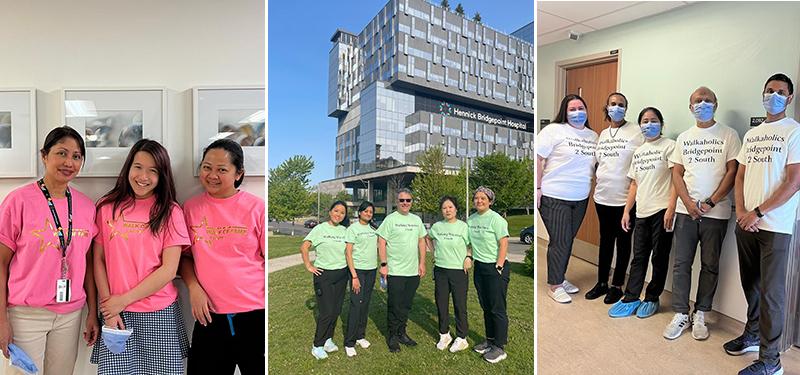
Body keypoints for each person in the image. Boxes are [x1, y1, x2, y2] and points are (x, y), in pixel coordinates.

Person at [0, 126, 99, 375]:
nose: (69, 162)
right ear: (44, 156)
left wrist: (92, 313)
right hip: (26, 314)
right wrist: (1, 320)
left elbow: (87, 263)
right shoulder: (18, 201)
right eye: (61, 153)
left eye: (77, 156)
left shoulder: (86, 207)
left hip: (70, 314)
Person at [91, 139, 191, 374]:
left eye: (153, 171)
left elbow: (168, 270)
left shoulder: (171, 211)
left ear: (162, 175)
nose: (143, 176)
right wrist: (110, 307)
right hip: (116, 312)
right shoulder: (107, 207)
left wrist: (124, 300)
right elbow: (98, 260)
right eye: (138, 167)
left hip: (159, 312)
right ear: (128, 168)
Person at [727, 73, 800, 375]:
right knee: (752, 285)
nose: (774, 96)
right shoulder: (753, 134)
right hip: (746, 222)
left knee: (772, 294)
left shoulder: (794, 131)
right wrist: (743, 211)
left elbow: (794, 181)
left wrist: (757, 212)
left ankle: (771, 361)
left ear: (790, 98)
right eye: (769, 91)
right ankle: (753, 334)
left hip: (774, 226)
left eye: (780, 92)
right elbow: (741, 175)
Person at [180, 139, 265, 374]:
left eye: (222, 170)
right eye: (207, 167)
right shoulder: (190, 208)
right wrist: (194, 289)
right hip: (209, 316)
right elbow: (184, 257)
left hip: (254, 315)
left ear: (239, 174)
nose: (212, 175)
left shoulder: (257, 208)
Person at [663, 86, 741, 341]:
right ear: (690, 106)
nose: (703, 104)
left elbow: (733, 172)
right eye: (698, 100)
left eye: (708, 100)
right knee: (681, 264)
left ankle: (701, 313)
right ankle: (680, 313)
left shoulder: (729, 135)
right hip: (687, 213)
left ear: (716, 104)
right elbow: (677, 172)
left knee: (710, 265)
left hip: (715, 213)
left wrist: (710, 202)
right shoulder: (684, 137)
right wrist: (686, 202)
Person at [608, 107, 677, 319]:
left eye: (653, 120)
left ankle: (652, 298)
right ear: (640, 126)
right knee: (638, 257)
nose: (649, 124)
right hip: (642, 211)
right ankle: (631, 297)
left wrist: (671, 209)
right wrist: (627, 211)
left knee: (659, 257)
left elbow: (677, 180)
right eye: (645, 121)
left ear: (661, 123)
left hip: (662, 210)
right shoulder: (638, 151)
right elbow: (635, 184)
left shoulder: (670, 146)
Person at [536, 94, 598, 304]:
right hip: (555, 195)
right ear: (565, 111)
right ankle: (554, 286)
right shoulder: (554, 130)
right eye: (572, 109)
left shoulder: (593, 136)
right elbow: (538, 158)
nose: (577, 112)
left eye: (581, 108)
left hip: (580, 197)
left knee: (567, 240)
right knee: (560, 241)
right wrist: (536, 188)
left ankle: (560, 278)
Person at [587, 92, 644, 304]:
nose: (616, 107)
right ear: (607, 107)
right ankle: (601, 282)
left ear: (626, 108)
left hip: (625, 200)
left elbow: (642, 162)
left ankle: (617, 285)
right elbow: (597, 163)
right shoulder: (602, 134)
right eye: (613, 104)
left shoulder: (636, 132)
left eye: (621, 105)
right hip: (602, 198)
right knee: (605, 241)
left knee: (623, 242)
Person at [377, 188, 426, 353]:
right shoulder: (390, 219)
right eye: (401, 200)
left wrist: (422, 263)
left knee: (406, 305)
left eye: (408, 200)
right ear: (397, 202)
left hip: (412, 272)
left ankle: (401, 332)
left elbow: (421, 242)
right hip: (395, 271)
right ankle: (392, 336)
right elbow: (381, 241)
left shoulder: (416, 220)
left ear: (412, 202)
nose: (405, 203)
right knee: (394, 305)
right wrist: (384, 264)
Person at [300, 201, 349, 360]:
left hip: (342, 274)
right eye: (336, 211)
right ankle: (317, 345)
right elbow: (304, 247)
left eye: (342, 212)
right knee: (326, 311)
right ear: (330, 212)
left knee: (336, 310)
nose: (338, 214)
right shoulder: (319, 229)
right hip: (324, 275)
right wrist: (309, 265)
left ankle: (328, 339)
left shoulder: (345, 230)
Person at [469, 187, 510, 364]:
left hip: (495, 268)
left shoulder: (496, 219)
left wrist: (499, 266)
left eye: (483, 198)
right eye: (476, 198)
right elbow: (469, 243)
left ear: (490, 201)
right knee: (486, 307)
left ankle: (499, 347)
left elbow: (503, 243)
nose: (479, 201)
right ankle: (490, 340)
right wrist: (468, 256)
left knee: (497, 308)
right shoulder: (471, 220)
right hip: (479, 268)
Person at [427, 196, 471, 353]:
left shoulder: (463, 227)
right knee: (441, 303)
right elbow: (428, 238)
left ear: (456, 209)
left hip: (459, 271)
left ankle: (462, 337)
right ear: (441, 211)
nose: (447, 210)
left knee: (460, 305)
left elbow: (471, 244)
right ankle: (444, 334)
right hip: (441, 270)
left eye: (450, 207)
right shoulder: (437, 227)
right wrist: (434, 253)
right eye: (444, 208)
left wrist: (468, 257)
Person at [343, 201, 378, 357]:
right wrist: (354, 276)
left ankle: (360, 336)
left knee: (365, 304)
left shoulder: (373, 229)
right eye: (366, 211)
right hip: (358, 271)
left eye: (371, 212)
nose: (368, 214)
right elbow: (348, 253)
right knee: (356, 304)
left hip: (371, 270)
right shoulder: (352, 229)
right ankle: (349, 342)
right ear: (360, 213)